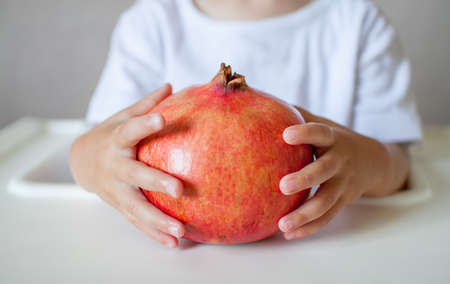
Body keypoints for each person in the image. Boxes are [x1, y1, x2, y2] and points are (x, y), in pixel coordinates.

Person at [69, 0, 422, 248]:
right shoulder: (149, 23)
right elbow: (100, 142)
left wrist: (364, 161)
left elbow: (399, 168)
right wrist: (90, 162)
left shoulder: (359, 24)